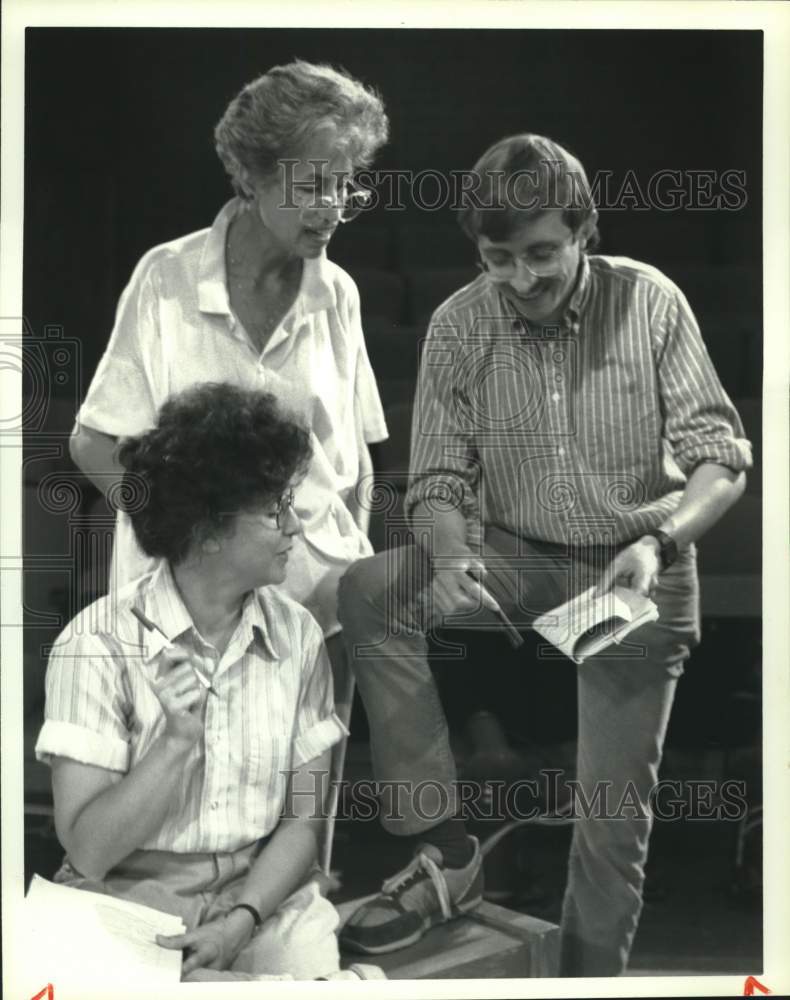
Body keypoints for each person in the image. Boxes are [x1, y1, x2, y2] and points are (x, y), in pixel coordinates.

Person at [336, 134, 752, 975]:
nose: (522, 280)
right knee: (371, 591)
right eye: (499, 259)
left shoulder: (652, 302)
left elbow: (724, 455)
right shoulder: (458, 323)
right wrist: (451, 558)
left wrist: (658, 539)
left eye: (541, 254)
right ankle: (443, 844)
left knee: (611, 827)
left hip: (637, 570)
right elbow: (439, 482)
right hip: (516, 556)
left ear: (584, 230)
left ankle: (584, 987)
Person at [35, 383, 383, 982]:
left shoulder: (299, 637)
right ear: (208, 529)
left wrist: (239, 921)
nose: (296, 525)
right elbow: (90, 851)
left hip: (262, 899)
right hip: (129, 897)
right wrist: (173, 747)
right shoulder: (93, 644)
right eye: (276, 508)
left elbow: (303, 824)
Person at [69, 59, 389, 641]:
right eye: (313, 185)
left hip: (312, 605)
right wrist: (182, 538)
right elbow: (93, 443)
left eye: (346, 184)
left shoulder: (339, 292)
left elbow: (355, 463)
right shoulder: (166, 277)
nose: (334, 208)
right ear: (251, 175)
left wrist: (349, 573)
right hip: (183, 607)